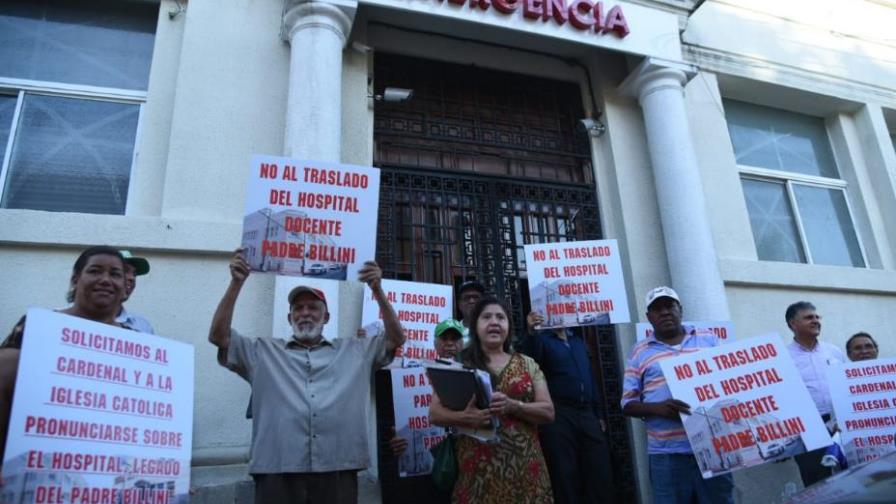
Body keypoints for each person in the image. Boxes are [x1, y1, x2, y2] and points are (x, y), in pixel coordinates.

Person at [208, 248, 405, 503]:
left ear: (326, 317)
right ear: (290, 317)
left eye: (313, 307)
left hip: (337, 468)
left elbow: (395, 338)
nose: (305, 313)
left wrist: (377, 290)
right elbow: (218, 337)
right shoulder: (262, 352)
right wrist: (236, 283)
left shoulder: (356, 351)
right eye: (298, 308)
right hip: (276, 470)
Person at [1, 246, 132, 467]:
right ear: (75, 279)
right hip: (37, 464)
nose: (105, 280)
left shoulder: (133, 342)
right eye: (95, 271)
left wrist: (163, 475)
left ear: (125, 286)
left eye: (115, 274)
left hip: (106, 472)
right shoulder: (38, 327)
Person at [429, 297, 555, 503]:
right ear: (476, 327)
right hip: (477, 475)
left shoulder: (528, 364)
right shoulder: (460, 363)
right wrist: (465, 417)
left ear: (508, 327)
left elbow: (548, 412)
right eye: (486, 317)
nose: (494, 322)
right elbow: (434, 414)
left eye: (500, 317)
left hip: (525, 471)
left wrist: (514, 405)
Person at [621, 286, 733, 504]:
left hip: (714, 447)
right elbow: (627, 404)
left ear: (680, 309)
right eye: (657, 309)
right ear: (649, 317)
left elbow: (731, 384)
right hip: (667, 456)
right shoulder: (638, 352)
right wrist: (658, 408)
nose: (664, 312)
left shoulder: (709, 341)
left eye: (669, 306)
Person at [518, 312, 616, 504]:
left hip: (587, 414)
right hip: (559, 415)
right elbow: (529, 364)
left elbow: (590, 378)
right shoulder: (542, 340)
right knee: (565, 474)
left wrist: (598, 413)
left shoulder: (577, 340)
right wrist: (530, 333)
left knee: (599, 470)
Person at [386, 318, 465, 504]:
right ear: (435, 343)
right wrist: (399, 437)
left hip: (465, 459)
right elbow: (406, 415)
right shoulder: (416, 373)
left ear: (462, 343)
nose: (450, 344)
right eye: (444, 339)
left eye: (455, 339)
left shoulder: (475, 372)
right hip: (428, 465)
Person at [785, 301, 845, 487]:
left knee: (848, 479)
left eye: (817, 317)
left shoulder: (834, 351)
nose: (816, 320)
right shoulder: (783, 356)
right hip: (807, 431)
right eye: (809, 317)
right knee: (817, 484)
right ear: (793, 324)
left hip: (841, 427)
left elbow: (846, 386)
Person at [116, 250, 155, 334]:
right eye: (125, 271)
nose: (132, 278)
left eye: (134, 274)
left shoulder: (143, 326)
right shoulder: (82, 320)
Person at [456, 280, 485, 344]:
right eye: (466, 298)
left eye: (476, 297)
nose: (471, 301)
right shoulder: (453, 332)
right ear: (459, 305)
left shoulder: (491, 328)